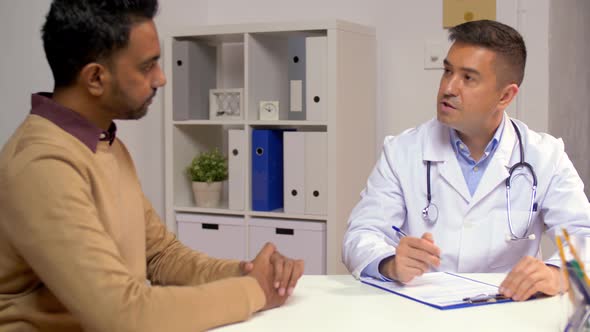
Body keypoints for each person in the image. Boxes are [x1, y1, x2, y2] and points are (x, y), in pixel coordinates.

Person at [0, 1, 303, 331]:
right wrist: (254, 291)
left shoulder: (106, 145)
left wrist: (249, 271)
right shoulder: (42, 165)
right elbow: (124, 315)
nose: (161, 79)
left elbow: (160, 255)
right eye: (147, 67)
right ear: (96, 78)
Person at [342, 19, 590, 302]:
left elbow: (584, 235)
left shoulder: (544, 156)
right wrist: (389, 263)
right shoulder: (402, 151)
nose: (449, 87)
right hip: (420, 312)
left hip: (509, 311)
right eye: (447, 71)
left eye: (468, 78)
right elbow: (361, 234)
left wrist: (556, 274)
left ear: (505, 96)